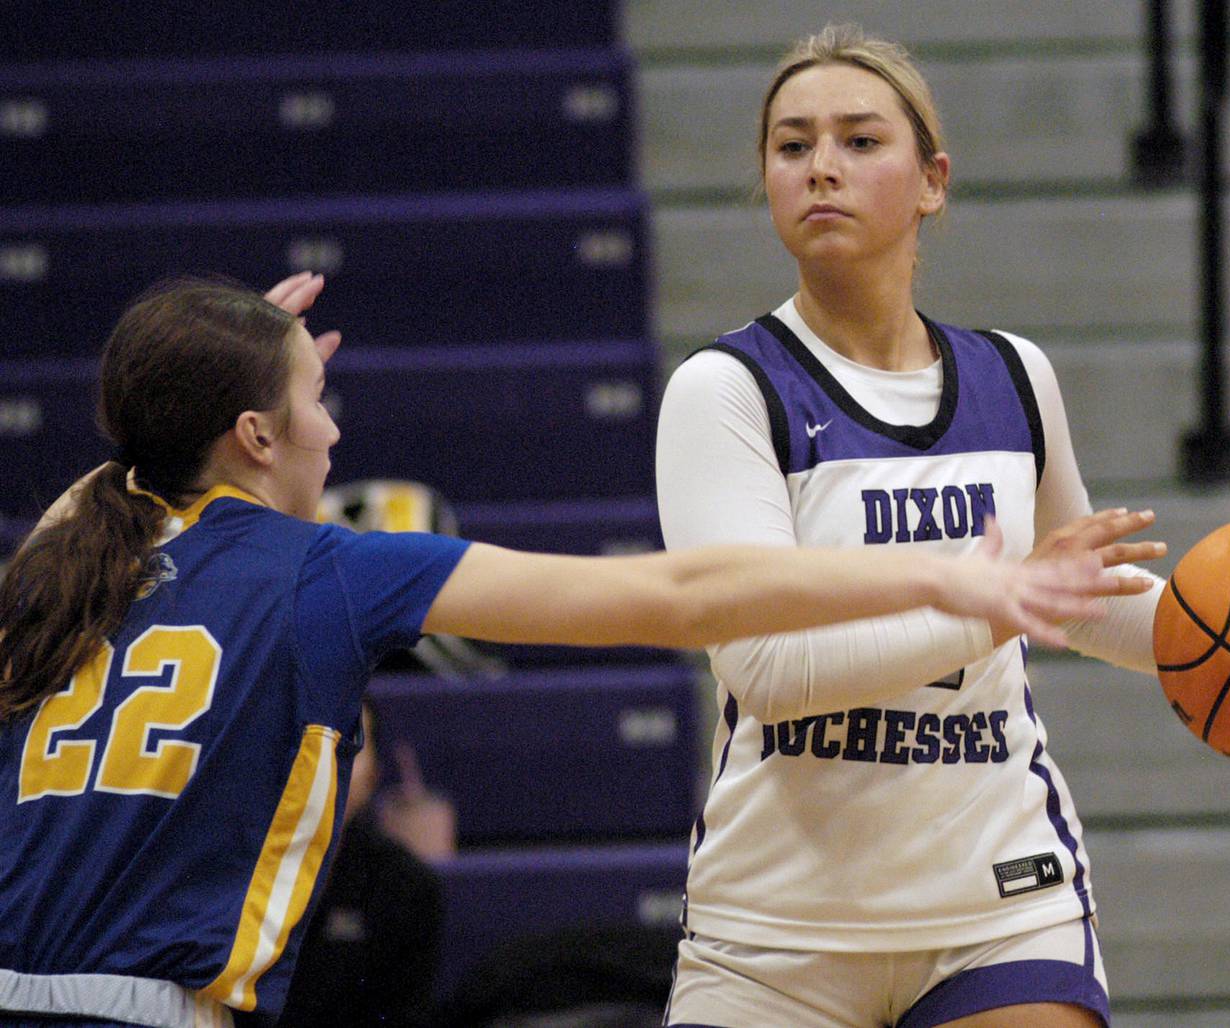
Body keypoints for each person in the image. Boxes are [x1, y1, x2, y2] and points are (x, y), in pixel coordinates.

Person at [0, 274, 1121, 1028]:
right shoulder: (329, 567)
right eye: (314, 398)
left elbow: (129, 458)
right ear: (253, 437)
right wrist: (950, 576)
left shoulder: (60, 561)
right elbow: (683, 591)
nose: (334, 429)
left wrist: (223, 355)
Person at [655, 25, 1168, 1028]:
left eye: (859, 141)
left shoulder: (1015, 376)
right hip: (778, 928)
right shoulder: (725, 390)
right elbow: (765, 667)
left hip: (1000, 901)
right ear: (766, 183)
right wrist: (989, 609)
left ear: (932, 181)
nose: (822, 169)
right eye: (793, 146)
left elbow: (1084, 600)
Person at [276, 700, 442, 1028]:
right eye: (310, 741)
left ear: (375, 775)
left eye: (348, 746)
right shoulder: (229, 875)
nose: (326, 762)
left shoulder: (406, 886)